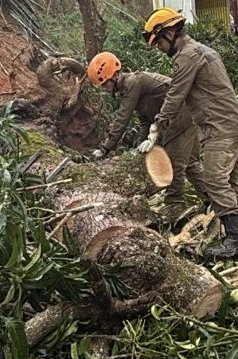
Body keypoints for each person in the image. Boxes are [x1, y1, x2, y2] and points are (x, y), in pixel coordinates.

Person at [140, 7, 238, 260]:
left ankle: (235, 241)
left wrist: (156, 128)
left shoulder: (186, 57)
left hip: (219, 126)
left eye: (158, 43)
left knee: (214, 179)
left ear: (168, 33)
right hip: (230, 122)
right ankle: (233, 232)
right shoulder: (202, 50)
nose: (159, 48)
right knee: (230, 180)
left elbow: (175, 94)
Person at [86, 51, 207, 228]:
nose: (105, 89)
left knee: (174, 162)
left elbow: (123, 116)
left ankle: (175, 205)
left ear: (115, 75)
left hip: (180, 114)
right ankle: (214, 199)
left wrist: (106, 148)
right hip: (181, 114)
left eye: (105, 84)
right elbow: (145, 118)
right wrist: (139, 146)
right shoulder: (131, 87)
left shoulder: (132, 83)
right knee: (191, 163)